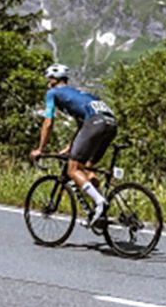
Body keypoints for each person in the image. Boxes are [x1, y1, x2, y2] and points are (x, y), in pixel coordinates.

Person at [29, 64, 117, 227]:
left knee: (73, 169)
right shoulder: (80, 94)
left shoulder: (53, 93)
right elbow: (82, 128)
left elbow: (48, 123)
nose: (47, 84)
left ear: (53, 81)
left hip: (95, 124)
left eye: (48, 80)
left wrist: (40, 149)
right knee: (87, 170)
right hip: (110, 124)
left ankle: (99, 203)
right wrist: (70, 148)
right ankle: (99, 213)